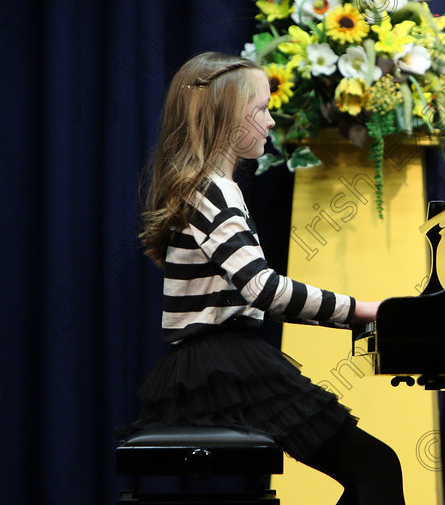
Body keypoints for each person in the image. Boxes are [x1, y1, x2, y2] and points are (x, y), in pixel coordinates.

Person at [122, 51, 405, 505]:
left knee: (372, 466)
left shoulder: (205, 185)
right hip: (221, 366)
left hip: (215, 363)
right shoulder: (214, 189)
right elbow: (265, 290)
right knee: (375, 465)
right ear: (227, 118)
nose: (272, 122)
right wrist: (361, 310)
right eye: (262, 110)